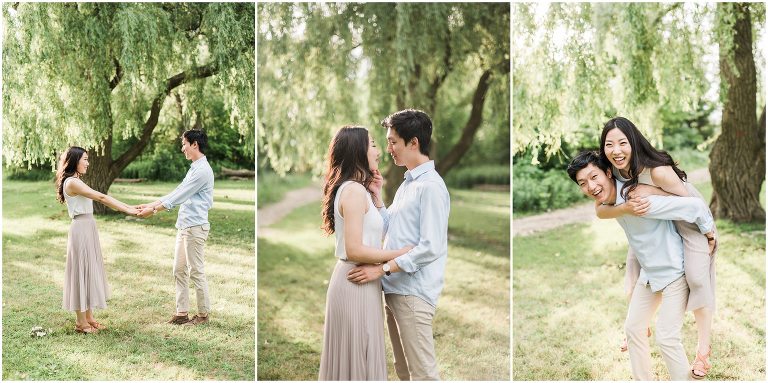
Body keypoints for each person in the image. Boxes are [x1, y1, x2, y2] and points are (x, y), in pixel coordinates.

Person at [567, 151, 716, 380]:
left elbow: (694, 206)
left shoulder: (638, 199)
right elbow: (601, 212)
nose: (591, 186)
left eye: (594, 177)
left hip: (675, 274)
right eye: (583, 183)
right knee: (633, 329)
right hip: (650, 275)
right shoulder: (608, 203)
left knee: (666, 337)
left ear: (608, 172)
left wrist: (709, 232)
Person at [347, 109, 451, 381]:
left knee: (423, 374)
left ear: (413, 143)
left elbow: (431, 247)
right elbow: (389, 226)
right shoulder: (408, 184)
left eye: (393, 142)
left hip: (413, 294)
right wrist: (378, 197)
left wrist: (382, 269)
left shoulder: (431, 187)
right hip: (395, 290)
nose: (388, 148)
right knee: (403, 371)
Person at [318, 125, 413, 380]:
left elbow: (376, 235)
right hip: (354, 281)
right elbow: (355, 248)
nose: (379, 150)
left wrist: (378, 196)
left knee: (364, 352)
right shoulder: (352, 191)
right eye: (372, 144)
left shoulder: (361, 190)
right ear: (358, 150)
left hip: (365, 281)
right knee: (358, 356)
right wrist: (399, 253)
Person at [55, 146, 139, 334]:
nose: (88, 162)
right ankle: (80, 323)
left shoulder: (77, 180)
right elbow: (100, 197)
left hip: (88, 227)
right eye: (85, 159)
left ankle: (89, 318)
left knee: (89, 270)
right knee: (80, 272)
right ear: (75, 161)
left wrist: (130, 206)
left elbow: (101, 196)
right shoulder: (72, 182)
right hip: (81, 229)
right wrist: (128, 210)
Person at [136, 129, 214, 326]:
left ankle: (203, 315)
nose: (182, 149)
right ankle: (182, 313)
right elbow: (177, 191)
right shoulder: (194, 168)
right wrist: (151, 204)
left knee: (196, 271)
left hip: (195, 228)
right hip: (185, 227)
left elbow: (180, 197)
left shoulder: (203, 170)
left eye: (184, 144)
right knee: (179, 270)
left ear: (194, 144)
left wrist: (153, 211)